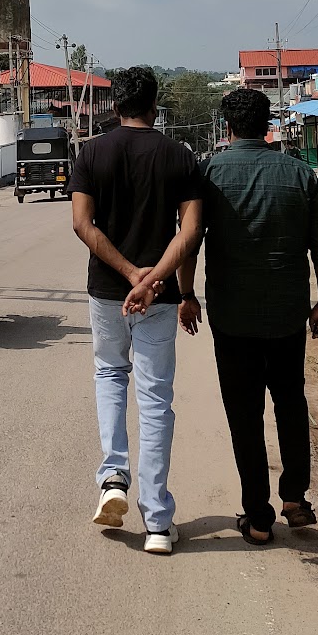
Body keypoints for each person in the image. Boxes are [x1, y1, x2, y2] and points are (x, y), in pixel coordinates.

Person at [176, 86, 318, 544]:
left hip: (232, 317)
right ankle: (296, 498)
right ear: (269, 124)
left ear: (227, 127)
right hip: (287, 315)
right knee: (291, 402)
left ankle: (258, 516)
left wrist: (186, 294)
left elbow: (189, 242)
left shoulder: (208, 174)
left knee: (243, 412)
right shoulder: (300, 174)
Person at [70, 66, 204, 556]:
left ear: (113, 105)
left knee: (109, 375)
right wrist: (153, 279)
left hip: (108, 290)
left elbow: (82, 224)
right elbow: (190, 233)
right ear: (154, 104)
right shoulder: (179, 156)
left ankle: (112, 480)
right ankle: (158, 521)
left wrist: (129, 275)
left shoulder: (92, 152)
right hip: (161, 296)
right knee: (155, 398)